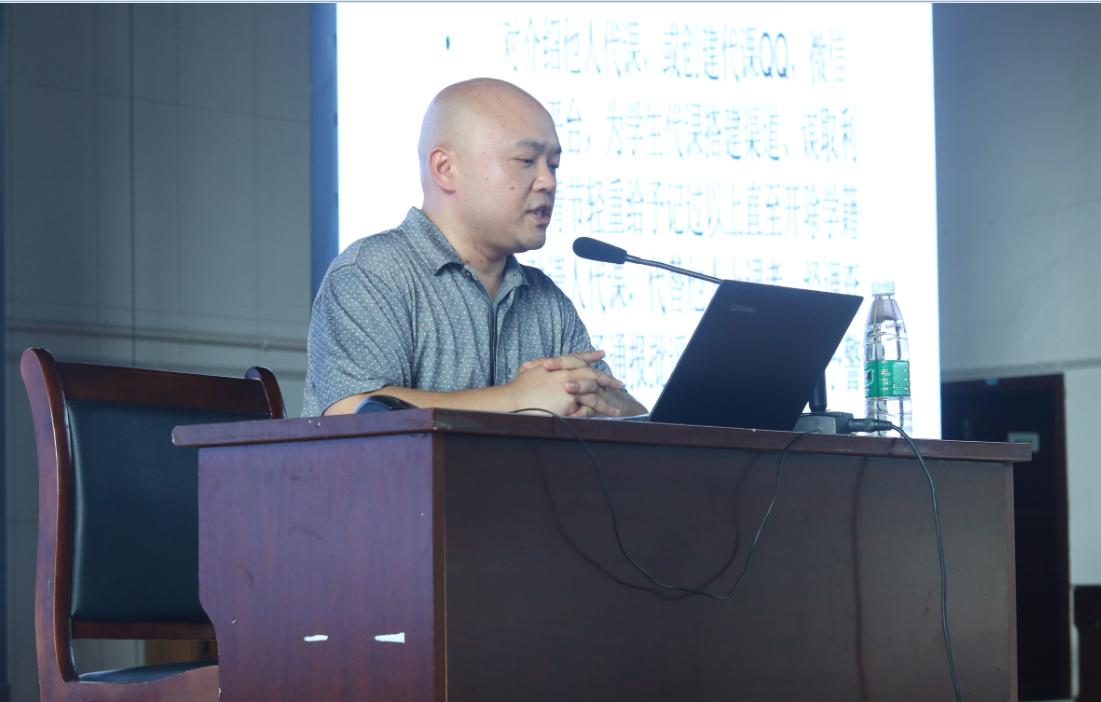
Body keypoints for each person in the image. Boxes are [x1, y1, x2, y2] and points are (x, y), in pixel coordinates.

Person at [302, 78, 647, 419]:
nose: (549, 182)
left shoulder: (546, 300)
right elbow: (352, 414)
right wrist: (516, 399)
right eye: (526, 160)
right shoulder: (372, 273)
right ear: (445, 169)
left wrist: (591, 397)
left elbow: (639, 418)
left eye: (553, 165)